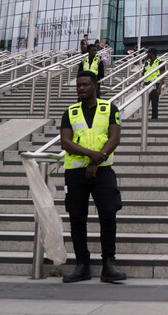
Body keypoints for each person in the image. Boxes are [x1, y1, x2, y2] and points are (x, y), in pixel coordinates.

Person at [59, 71, 126, 283]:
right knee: (77, 218)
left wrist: (96, 162)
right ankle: (82, 265)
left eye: (85, 85)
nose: (81, 88)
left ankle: (108, 263)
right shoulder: (70, 112)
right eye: (78, 85)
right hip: (76, 171)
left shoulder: (109, 109)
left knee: (108, 212)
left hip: (102, 171)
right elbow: (65, 142)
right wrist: (90, 156)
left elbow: (115, 137)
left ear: (94, 86)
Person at [143, 48, 162, 119]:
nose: (147, 54)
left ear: (152, 54)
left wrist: (159, 87)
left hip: (155, 85)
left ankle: (154, 119)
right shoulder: (147, 62)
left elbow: (162, 75)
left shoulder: (159, 62)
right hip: (146, 85)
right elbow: (143, 73)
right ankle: (145, 119)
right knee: (145, 104)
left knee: (154, 104)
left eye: (148, 53)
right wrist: (139, 83)